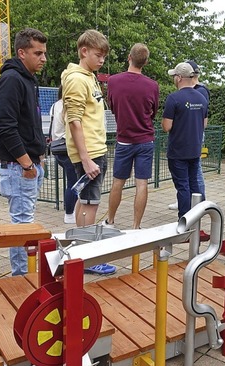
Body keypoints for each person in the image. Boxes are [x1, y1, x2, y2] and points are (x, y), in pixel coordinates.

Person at [0, 28, 47, 276]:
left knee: (25, 222)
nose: (43, 58)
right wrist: (27, 165)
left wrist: (38, 159)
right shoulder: (12, 80)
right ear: (22, 52)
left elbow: (29, 124)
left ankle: (24, 275)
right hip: (19, 167)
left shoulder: (26, 80)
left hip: (28, 164)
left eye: (44, 53)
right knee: (22, 225)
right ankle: (21, 277)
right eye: (38, 53)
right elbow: (6, 128)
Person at [103, 43, 159, 230]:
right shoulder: (152, 85)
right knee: (141, 183)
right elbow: (153, 112)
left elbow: (111, 105)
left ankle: (110, 221)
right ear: (145, 62)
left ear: (129, 57)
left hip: (124, 140)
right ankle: (136, 226)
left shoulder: (113, 81)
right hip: (145, 140)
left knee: (118, 181)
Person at [61, 29, 110, 228]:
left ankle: (81, 246)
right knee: (91, 204)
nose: (102, 61)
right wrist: (86, 159)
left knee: (87, 200)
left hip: (96, 148)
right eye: (98, 56)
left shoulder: (88, 76)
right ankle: (86, 250)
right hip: (89, 151)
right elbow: (74, 120)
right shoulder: (77, 79)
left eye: (104, 57)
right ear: (83, 51)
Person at [161, 62, 208, 220]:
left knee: (182, 187)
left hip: (178, 151)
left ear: (179, 78)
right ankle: (196, 219)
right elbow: (204, 124)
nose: (174, 78)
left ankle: (184, 220)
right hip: (195, 149)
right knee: (194, 184)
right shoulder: (202, 97)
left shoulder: (173, 98)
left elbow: (167, 126)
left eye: (174, 76)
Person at [50, 86, 78, 224]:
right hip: (68, 147)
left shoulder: (56, 105)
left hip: (57, 147)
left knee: (71, 180)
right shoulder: (68, 105)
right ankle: (70, 213)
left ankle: (71, 209)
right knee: (73, 182)